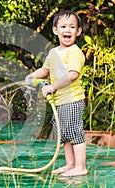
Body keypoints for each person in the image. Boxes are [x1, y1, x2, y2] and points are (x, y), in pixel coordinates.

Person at [25, 10, 88, 177]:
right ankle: (70, 164)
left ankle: (80, 166)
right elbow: (45, 70)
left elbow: (73, 75)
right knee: (65, 135)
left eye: (72, 27)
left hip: (72, 99)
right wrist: (31, 76)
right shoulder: (53, 53)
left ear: (78, 31)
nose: (67, 30)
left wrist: (53, 87)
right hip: (59, 102)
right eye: (63, 26)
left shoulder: (74, 52)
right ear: (55, 30)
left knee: (75, 133)